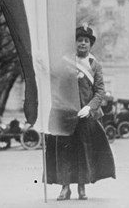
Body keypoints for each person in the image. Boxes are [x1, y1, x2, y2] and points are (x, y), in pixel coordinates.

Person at [45, 25, 115, 201]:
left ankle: (82, 188)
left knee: (83, 151)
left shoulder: (94, 65)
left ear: (90, 45)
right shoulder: (64, 61)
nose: (82, 44)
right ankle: (64, 187)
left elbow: (100, 91)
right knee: (64, 151)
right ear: (75, 43)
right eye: (79, 40)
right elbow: (53, 78)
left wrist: (89, 107)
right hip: (65, 114)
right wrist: (40, 63)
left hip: (85, 116)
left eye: (86, 41)